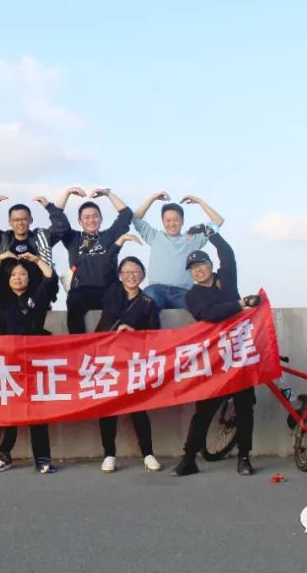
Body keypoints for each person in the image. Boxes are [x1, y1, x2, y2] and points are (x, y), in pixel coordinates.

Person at [172, 227, 261, 477]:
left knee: (244, 408)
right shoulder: (192, 296)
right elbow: (209, 314)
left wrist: (210, 233)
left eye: (201, 264)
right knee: (204, 411)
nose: (198, 270)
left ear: (210, 265)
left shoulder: (226, 278)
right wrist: (241, 304)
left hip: (239, 353)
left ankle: (244, 457)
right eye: (193, 268)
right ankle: (188, 459)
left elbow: (227, 253)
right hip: (213, 359)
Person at [0, 250, 60, 474]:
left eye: (22, 274)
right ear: (7, 278)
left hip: (36, 362)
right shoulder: (0, 299)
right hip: (8, 363)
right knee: (9, 411)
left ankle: (43, 459)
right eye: (13, 274)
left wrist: (37, 260)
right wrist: (0, 258)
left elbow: (50, 278)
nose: (18, 278)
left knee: (37, 411)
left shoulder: (38, 296)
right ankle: (4, 455)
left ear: (29, 277)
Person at [93, 256, 162, 473]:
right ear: (120, 276)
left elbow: (155, 335)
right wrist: (120, 241)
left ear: (142, 275)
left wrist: (134, 333)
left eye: (136, 272)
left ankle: (148, 454)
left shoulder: (149, 303)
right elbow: (106, 266)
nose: (131, 276)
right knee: (108, 408)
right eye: (127, 272)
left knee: (138, 409)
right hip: (108, 359)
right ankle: (109, 455)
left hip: (133, 362)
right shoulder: (111, 293)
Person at [59, 186, 135, 334]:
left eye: (95, 216)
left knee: (118, 301)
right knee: (73, 300)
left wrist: (108, 194)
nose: (91, 220)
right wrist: (67, 193)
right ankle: (79, 342)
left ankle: (99, 339)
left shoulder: (109, 236)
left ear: (101, 219)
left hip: (107, 290)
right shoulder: (73, 238)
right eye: (86, 217)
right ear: (80, 221)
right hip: (82, 290)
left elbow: (126, 214)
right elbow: (58, 219)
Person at [132, 191, 225, 310]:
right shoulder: (155, 236)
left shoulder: (192, 238)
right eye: (168, 220)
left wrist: (200, 202)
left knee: (202, 307)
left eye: (176, 220)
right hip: (157, 290)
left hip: (183, 292)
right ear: (163, 222)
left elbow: (218, 221)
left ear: (182, 221)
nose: (172, 224)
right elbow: (135, 218)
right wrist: (153, 198)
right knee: (147, 305)